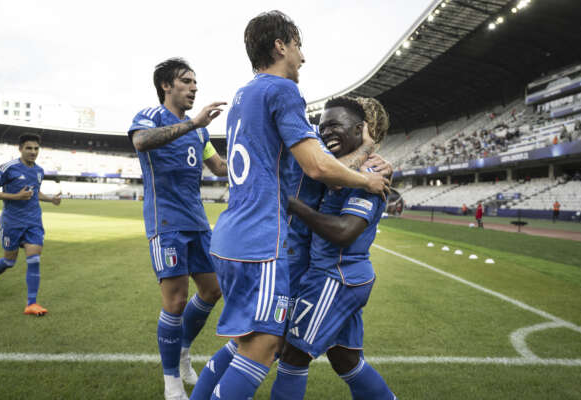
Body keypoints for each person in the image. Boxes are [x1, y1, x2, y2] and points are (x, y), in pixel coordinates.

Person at [203, 11, 390, 400]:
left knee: (341, 359)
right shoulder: (283, 90)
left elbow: (322, 166)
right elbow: (319, 166)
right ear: (281, 45)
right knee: (266, 349)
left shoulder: (244, 95)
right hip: (266, 243)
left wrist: (367, 156)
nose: (302, 58)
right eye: (299, 47)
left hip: (241, 234)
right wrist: (368, 172)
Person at [270, 96, 397, 400]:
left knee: (292, 355)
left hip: (335, 277)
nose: (327, 133)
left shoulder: (371, 174)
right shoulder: (345, 169)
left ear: (363, 129)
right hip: (334, 275)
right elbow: (329, 176)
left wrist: (293, 205)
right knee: (346, 361)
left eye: (336, 125)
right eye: (323, 127)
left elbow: (344, 232)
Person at [128, 57, 227, 400]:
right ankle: (171, 380)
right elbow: (141, 142)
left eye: (195, 82)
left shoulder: (201, 131)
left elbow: (219, 168)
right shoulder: (148, 116)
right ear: (166, 86)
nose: (194, 87)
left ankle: (183, 351)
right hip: (166, 221)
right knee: (175, 300)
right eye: (186, 81)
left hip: (197, 222)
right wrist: (193, 124)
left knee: (213, 289)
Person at [0, 134, 61, 316]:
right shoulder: (9, 168)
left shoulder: (39, 171)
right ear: (20, 149)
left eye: (36, 149)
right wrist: (15, 197)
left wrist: (51, 199)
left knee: (34, 258)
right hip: (12, 222)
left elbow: (35, 192)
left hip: (33, 222)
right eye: (29, 148)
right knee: (9, 261)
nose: (33, 152)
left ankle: (31, 304)